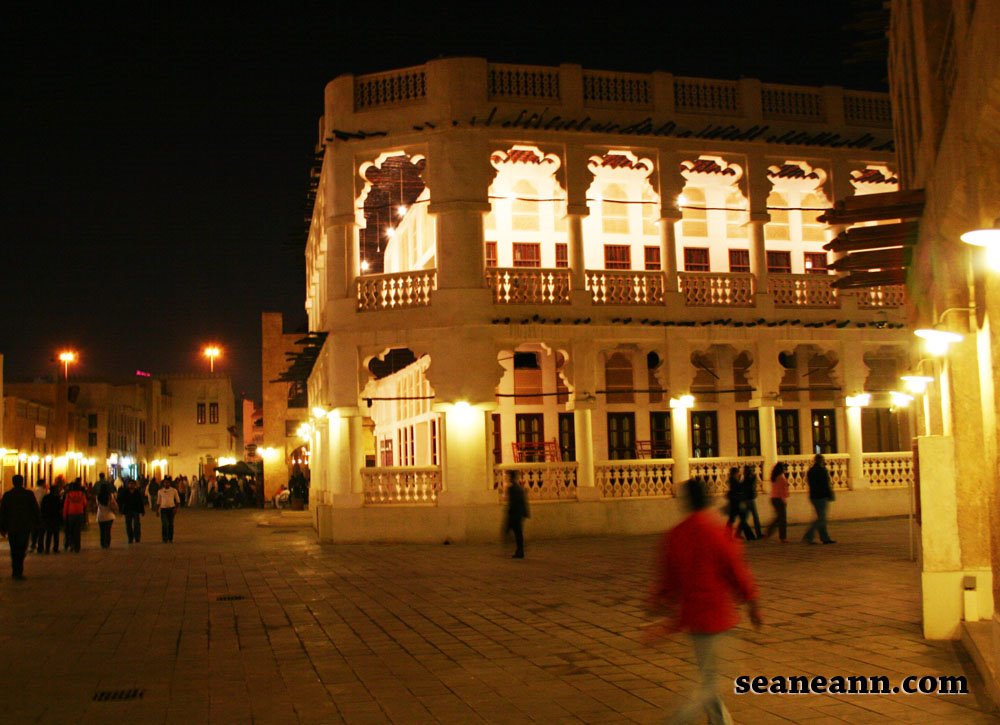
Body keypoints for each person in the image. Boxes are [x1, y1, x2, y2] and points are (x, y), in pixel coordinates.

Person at [648, 478, 761, 724]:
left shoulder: (676, 535)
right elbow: (736, 571)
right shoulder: (719, 531)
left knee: (710, 676)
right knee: (713, 682)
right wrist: (752, 603)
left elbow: (668, 578)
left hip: (693, 617)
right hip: (718, 616)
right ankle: (678, 719)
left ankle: (720, 722)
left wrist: (657, 604)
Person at [0, 475, 42, 580]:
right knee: (22, 548)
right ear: (22, 482)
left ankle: (15, 570)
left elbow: (2, 512)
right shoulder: (28, 494)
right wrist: (37, 523)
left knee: (14, 549)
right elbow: (35, 510)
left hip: (12, 527)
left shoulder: (7, 495)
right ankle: (19, 570)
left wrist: (2, 528)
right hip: (24, 526)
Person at [803, 454, 836, 544]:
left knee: (821, 517)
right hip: (821, 496)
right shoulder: (822, 471)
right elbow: (826, 484)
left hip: (814, 496)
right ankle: (809, 536)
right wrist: (830, 495)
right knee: (821, 518)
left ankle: (824, 537)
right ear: (821, 461)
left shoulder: (811, 471)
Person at [504, 470, 530, 559]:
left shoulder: (513, 488)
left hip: (516, 513)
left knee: (517, 533)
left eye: (508, 476)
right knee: (518, 532)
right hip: (519, 513)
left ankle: (520, 550)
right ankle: (520, 549)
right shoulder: (518, 488)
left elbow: (513, 502)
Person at [724, 467, 754, 541]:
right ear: (735, 473)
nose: (738, 474)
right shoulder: (733, 480)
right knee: (741, 519)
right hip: (736, 502)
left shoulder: (733, 480)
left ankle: (729, 535)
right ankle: (749, 536)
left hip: (735, 502)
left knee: (734, 519)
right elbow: (738, 488)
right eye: (737, 473)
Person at [764, 462, 790, 543]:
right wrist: (784, 499)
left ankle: (768, 532)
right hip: (779, 499)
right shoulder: (781, 478)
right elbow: (782, 490)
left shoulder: (774, 477)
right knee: (782, 519)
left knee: (778, 518)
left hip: (773, 498)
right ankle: (783, 537)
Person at [62, 479, 88, 553]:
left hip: (71, 514)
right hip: (80, 513)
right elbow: (85, 504)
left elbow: (66, 506)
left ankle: (72, 545)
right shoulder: (82, 494)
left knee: (71, 530)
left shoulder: (68, 495)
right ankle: (77, 546)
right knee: (77, 531)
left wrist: (64, 515)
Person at [118, 478, 146, 543]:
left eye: (133, 484)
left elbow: (140, 502)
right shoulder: (125, 492)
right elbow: (120, 500)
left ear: (135, 485)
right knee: (128, 525)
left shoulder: (137, 492)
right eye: (130, 484)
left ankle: (137, 538)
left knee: (137, 525)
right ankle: (130, 538)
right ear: (128, 485)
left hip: (136, 510)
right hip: (127, 511)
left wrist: (142, 511)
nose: (131, 485)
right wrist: (120, 509)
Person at [41, 481, 63, 553]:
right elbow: (60, 508)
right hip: (55, 517)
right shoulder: (57, 498)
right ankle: (55, 548)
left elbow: (42, 507)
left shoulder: (45, 497)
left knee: (49, 534)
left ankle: (47, 548)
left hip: (47, 518)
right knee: (56, 534)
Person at [95, 479, 118, 549]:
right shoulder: (110, 496)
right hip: (109, 516)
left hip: (100, 515)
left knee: (102, 531)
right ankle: (107, 543)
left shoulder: (98, 496)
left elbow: (97, 504)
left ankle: (102, 544)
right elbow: (113, 504)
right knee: (108, 531)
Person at [157, 478, 180, 543]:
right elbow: (158, 501)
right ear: (163, 483)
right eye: (165, 482)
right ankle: (164, 538)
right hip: (163, 509)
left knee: (170, 524)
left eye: (167, 482)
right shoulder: (160, 491)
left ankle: (170, 538)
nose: (166, 484)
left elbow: (178, 501)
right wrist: (157, 510)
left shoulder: (174, 490)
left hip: (171, 509)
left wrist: (176, 508)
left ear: (170, 483)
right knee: (164, 524)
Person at [742, 465, 763, 539]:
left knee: (744, 518)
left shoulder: (745, 478)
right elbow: (751, 487)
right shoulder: (749, 478)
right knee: (755, 517)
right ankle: (759, 534)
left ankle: (739, 533)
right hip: (750, 499)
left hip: (747, 499)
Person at [29, 479, 47, 553]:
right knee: (41, 530)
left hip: (33, 512)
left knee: (34, 530)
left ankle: (33, 544)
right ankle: (40, 546)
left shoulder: (33, 491)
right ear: (43, 484)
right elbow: (43, 502)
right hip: (41, 513)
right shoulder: (44, 491)